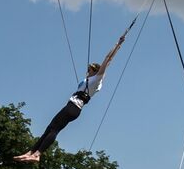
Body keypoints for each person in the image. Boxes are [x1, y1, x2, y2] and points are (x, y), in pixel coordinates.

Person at [14, 31, 126, 162]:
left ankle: (37, 154)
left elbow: (108, 60)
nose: (87, 70)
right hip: (72, 108)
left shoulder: (96, 80)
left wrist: (117, 44)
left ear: (95, 71)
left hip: (73, 107)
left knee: (54, 129)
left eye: (90, 69)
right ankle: (31, 152)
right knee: (50, 128)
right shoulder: (90, 80)